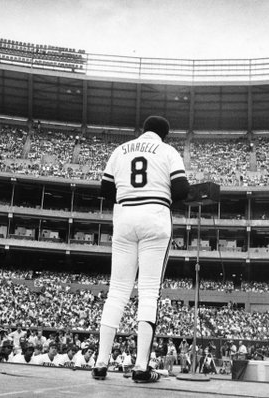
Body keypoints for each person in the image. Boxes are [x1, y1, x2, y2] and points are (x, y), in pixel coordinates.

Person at [91, 116, 189, 384]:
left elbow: (105, 190)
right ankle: (141, 366)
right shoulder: (168, 151)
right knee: (148, 292)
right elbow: (181, 190)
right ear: (164, 135)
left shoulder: (120, 150)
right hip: (155, 216)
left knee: (117, 292)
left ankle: (100, 363)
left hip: (123, 217)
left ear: (143, 131)